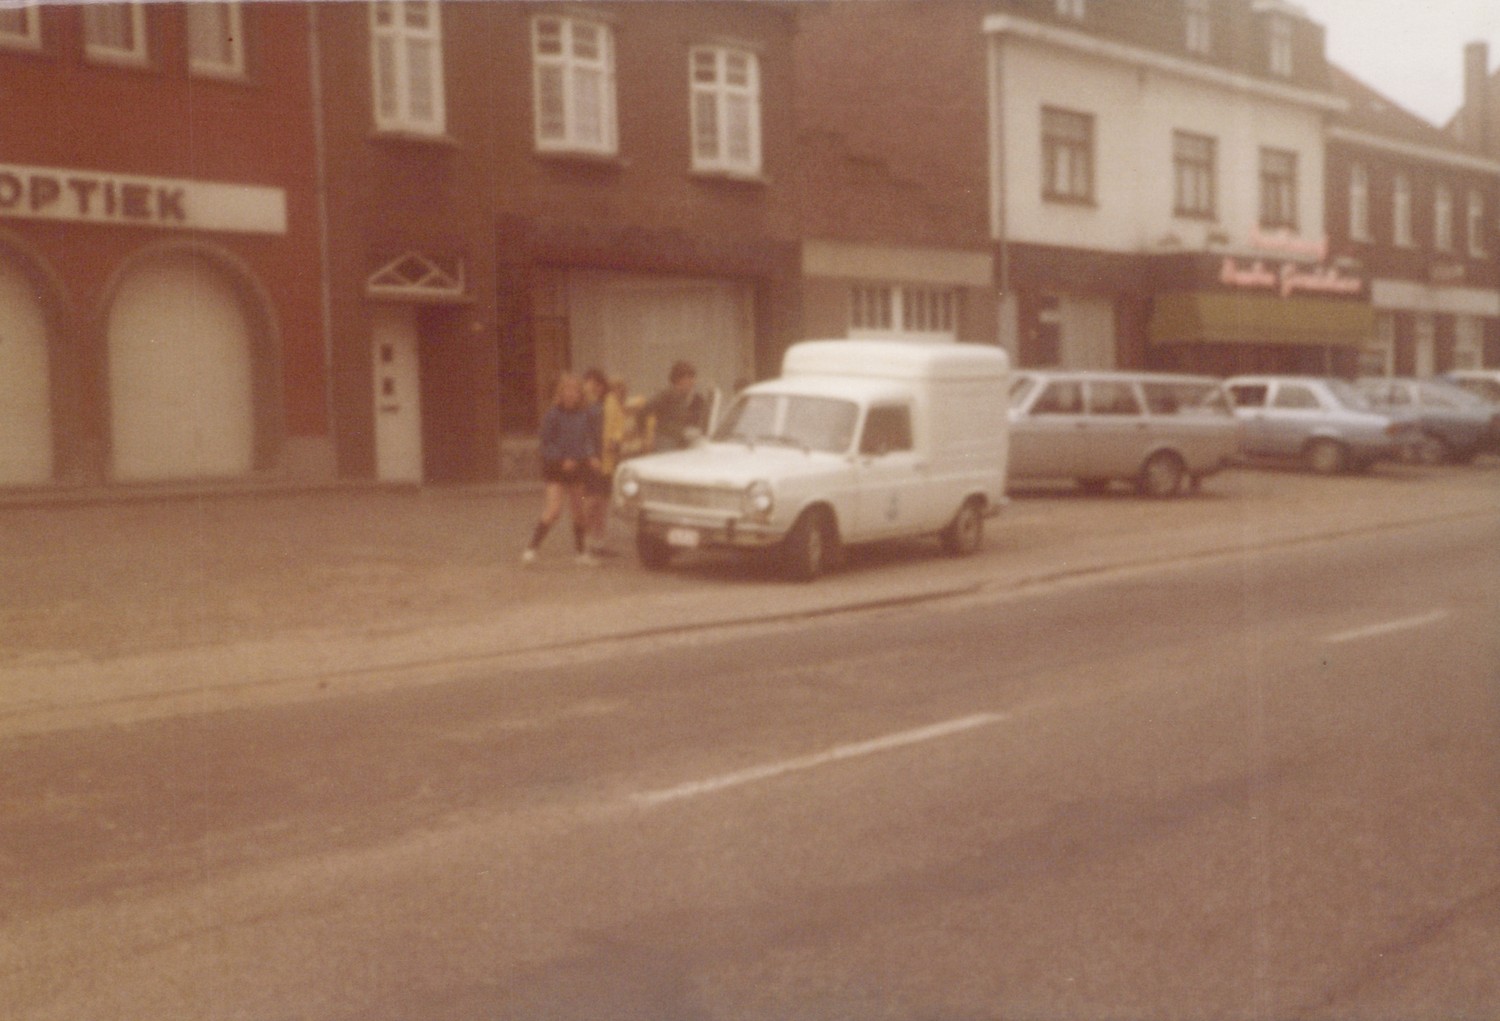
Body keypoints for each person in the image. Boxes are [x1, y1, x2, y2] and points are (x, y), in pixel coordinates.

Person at [522, 373, 601, 566]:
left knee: (579, 511)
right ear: (560, 393)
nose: (571, 394)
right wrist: (561, 459)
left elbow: (588, 439)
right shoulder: (552, 415)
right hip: (556, 468)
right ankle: (531, 549)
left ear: (580, 394)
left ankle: (581, 553)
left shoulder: (585, 414)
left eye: (575, 390)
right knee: (554, 510)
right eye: (567, 390)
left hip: (578, 467)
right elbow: (546, 443)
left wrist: (591, 455)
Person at [581, 367, 627, 556]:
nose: (592, 387)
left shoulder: (611, 401)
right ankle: (583, 541)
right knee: (590, 501)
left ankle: (599, 542)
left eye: (596, 383)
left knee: (603, 502)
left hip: (608, 458)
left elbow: (619, 424)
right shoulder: (583, 404)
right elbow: (582, 433)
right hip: (590, 459)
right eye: (589, 382)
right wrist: (590, 455)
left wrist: (616, 439)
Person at [642, 360, 708, 452]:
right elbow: (643, 412)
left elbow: (703, 419)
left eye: (692, 377)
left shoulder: (696, 399)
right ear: (678, 380)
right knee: (667, 444)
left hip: (686, 438)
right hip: (667, 438)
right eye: (688, 378)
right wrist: (645, 435)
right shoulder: (665, 396)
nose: (692, 382)